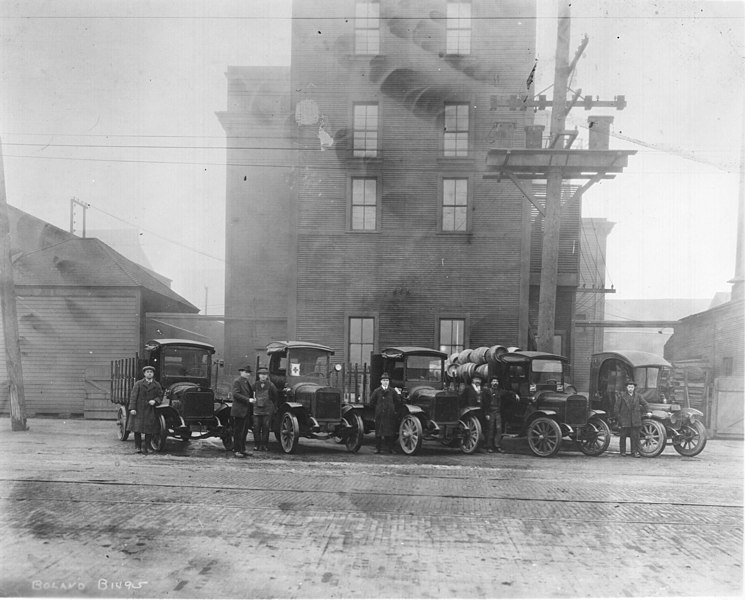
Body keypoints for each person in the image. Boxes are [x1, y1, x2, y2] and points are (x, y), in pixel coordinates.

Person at [127, 365, 163, 455]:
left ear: (153, 374)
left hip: (150, 410)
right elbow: (133, 397)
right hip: (139, 409)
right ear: (144, 374)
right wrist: (132, 408)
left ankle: (148, 447)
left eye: (151, 372)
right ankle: (137, 447)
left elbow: (160, 396)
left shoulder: (157, 385)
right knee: (137, 429)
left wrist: (155, 401)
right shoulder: (138, 384)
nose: (149, 373)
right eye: (147, 372)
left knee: (149, 429)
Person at [614, 379, 651, 458]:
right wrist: (619, 418)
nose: (630, 389)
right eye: (629, 387)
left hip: (635, 419)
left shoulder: (638, 396)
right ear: (626, 388)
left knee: (635, 436)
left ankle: (634, 452)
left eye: (632, 387)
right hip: (624, 419)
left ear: (634, 388)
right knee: (623, 436)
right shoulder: (622, 396)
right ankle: (622, 451)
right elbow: (616, 408)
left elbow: (645, 403)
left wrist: (649, 411)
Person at [370, 372, 402, 454]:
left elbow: (398, 401)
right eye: (384, 380)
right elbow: (372, 402)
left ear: (389, 382)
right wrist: (378, 409)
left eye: (387, 380)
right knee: (379, 432)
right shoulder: (377, 391)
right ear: (381, 381)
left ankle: (390, 449)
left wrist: (392, 409)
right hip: (380, 414)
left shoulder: (392, 391)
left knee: (390, 432)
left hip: (389, 414)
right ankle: (378, 449)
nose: (385, 382)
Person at [251, 366, 278, 451]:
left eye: (265, 375)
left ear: (267, 376)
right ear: (258, 376)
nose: (263, 376)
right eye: (261, 374)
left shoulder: (271, 385)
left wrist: (271, 406)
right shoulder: (255, 385)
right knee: (256, 428)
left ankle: (265, 446)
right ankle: (256, 445)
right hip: (256, 410)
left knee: (266, 428)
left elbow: (275, 396)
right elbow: (251, 395)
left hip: (267, 410)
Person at [230, 365, 254, 458]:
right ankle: (237, 450)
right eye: (246, 372)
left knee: (244, 432)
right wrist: (248, 400)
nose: (248, 374)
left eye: (249, 372)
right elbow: (236, 394)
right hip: (239, 410)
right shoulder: (237, 381)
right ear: (241, 372)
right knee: (238, 431)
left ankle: (242, 449)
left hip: (246, 411)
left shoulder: (246, 382)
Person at [483, 376, 504, 454]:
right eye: (494, 381)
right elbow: (484, 404)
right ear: (491, 383)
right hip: (490, 412)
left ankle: (497, 446)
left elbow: (507, 393)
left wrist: (515, 395)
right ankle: (489, 447)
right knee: (490, 429)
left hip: (498, 412)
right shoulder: (487, 391)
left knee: (499, 429)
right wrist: (486, 414)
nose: (495, 383)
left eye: (496, 381)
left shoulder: (500, 391)